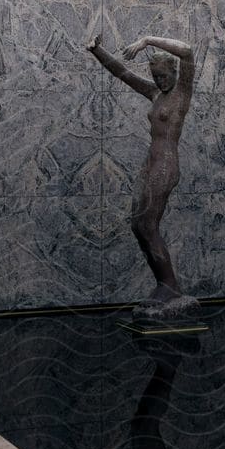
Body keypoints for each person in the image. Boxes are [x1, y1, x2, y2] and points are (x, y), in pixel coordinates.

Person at [86, 30, 198, 311]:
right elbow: (122, 72)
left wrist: (147, 40)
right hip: (150, 164)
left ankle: (170, 286)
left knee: (148, 225)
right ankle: (164, 285)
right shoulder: (155, 93)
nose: (159, 80)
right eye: (156, 76)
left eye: (163, 75)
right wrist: (97, 51)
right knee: (138, 225)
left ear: (173, 72)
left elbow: (186, 49)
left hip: (165, 166)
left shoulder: (182, 92)